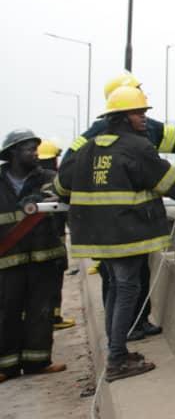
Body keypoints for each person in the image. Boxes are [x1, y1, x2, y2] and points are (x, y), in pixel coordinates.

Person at [57, 86, 175, 382]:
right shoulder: (136, 148)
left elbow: (62, 186)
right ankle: (117, 359)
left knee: (117, 289)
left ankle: (116, 351)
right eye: (138, 113)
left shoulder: (89, 148)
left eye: (144, 112)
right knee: (127, 288)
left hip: (96, 235)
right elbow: (169, 180)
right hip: (125, 233)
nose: (143, 118)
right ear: (121, 117)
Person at [0, 129, 67, 383]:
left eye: (36, 149)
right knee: (6, 311)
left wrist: (47, 198)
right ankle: (5, 366)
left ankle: (37, 362)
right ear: (13, 153)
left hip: (44, 257)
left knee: (41, 311)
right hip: (7, 259)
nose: (35, 154)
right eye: (29, 149)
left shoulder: (49, 178)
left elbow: (65, 197)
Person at [35, 139, 76, 331]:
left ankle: (43, 318)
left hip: (27, 244)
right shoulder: (54, 179)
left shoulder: (25, 179)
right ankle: (54, 317)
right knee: (53, 281)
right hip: (54, 242)